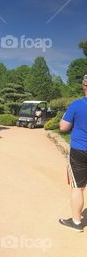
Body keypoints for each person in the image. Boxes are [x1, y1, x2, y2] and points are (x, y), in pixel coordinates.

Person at [58, 74, 87, 231]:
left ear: (84, 87)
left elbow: (63, 127)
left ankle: (76, 222)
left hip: (80, 151)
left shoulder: (76, 105)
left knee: (78, 187)